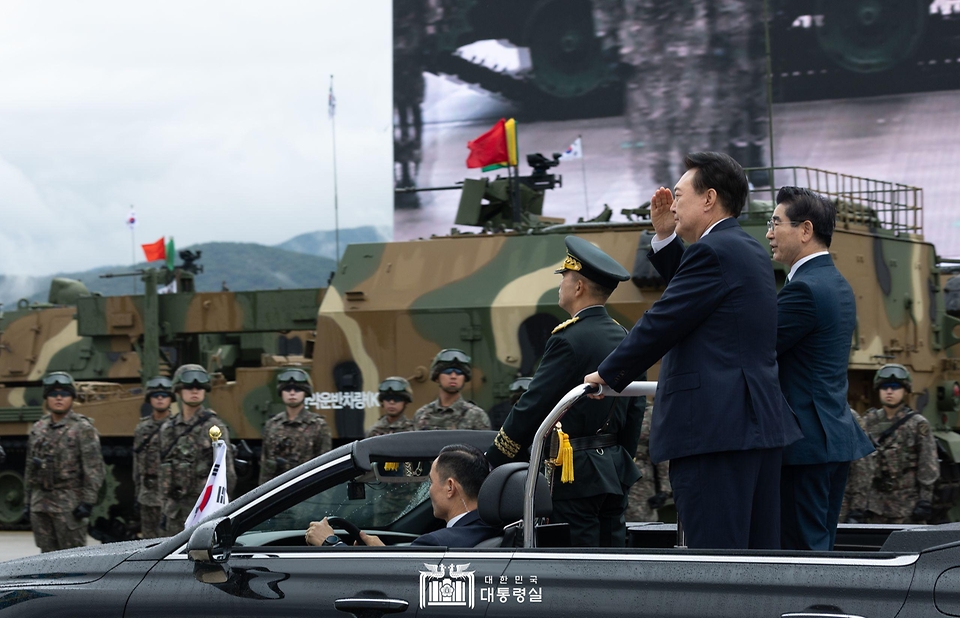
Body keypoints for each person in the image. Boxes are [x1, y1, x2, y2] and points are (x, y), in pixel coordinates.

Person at [585, 152, 802, 550]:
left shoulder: (715, 252)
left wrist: (608, 375)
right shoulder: (742, 248)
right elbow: (697, 294)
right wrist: (667, 236)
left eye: (680, 195)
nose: (673, 204)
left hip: (715, 431)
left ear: (709, 199)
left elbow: (665, 318)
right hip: (750, 426)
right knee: (756, 555)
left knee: (715, 558)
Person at [487, 236, 643, 547]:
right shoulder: (625, 337)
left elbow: (534, 404)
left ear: (579, 287)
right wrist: (619, 456)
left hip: (575, 476)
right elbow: (635, 406)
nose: (560, 285)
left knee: (576, 570)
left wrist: (497, 455)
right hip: (613, 469)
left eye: (564, 277)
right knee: (614, 563)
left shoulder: (567, 339)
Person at [766, 186, 874, 550]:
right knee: (817, 548)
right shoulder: (835, 283)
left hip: (803, 446)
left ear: (805, 230)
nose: (769, 233)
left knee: (800, 557)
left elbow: (758, 348)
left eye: (776, 222)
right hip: (827, 437)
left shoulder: (805, 289)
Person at [306, 443, 497, 548]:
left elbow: (394, 583)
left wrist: (330, 543)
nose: (429, 490)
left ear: (450, 487)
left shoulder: (436, 544)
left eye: (431, 482)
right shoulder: (497, 530)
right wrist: (382, 553)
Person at [24, 372, 105, 552]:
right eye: (53, 394)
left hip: (69, 505)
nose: (59, 398)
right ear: (46, 398)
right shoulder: (38, 428)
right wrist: (27, 501)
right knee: (44, 560)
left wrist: (88, 502)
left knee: (72, 559)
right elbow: (30, 467)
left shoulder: (82, 428)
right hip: (41, 504)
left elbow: (94, 469)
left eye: (64, 394)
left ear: (72, 398)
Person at [159, 364, 236, 535]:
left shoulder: (214, 427)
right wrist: (164, 509)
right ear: (179, 390)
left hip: (202, 512)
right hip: (174, 512)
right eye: (189, 387)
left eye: (199, 387)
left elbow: (227, 474)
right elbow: (163, 473)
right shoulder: (168, 429)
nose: (195, 391)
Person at [857, 365, 939, 524]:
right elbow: (860, 466)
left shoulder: (917, 424)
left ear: (904, 390)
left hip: (907, 506)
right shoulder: (868, 422)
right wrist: (858, 505)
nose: (889, 391)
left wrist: (925, 500)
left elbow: (928, 464)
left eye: (895, 387)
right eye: (884, 387)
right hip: (874, 506)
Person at [259, 368, 331, 485]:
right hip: (276, 490)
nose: (292, 392)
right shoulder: (272, 425)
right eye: (287, 389)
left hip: (307, 490)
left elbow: (325, 469)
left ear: (305, 392)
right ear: (281, 392)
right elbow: (265, 467)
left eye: (297, 389)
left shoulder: (318, 426)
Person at [133, 376, 174, 539]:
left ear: (171, 399)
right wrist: (137, 494)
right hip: (147, 496)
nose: (159, 398)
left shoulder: (177, 426)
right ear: (149, 399)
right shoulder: (142, 428)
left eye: (164, 395)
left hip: (171, 499)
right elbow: (137, 464)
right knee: (149, 542)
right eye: (155, 395)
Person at [413, 349, 490, 431]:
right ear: (437, 378)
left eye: (459, 372)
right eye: (448, 372)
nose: (453, 376)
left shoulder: (476, 415)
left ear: (464, 378)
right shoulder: (422, 415)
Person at [625, 400, 672, 523]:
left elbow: (662, 451)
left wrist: (664, 490)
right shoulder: (612, 408)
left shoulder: (650, 412)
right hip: (613, 473)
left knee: (641, 524)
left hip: (641, 480)